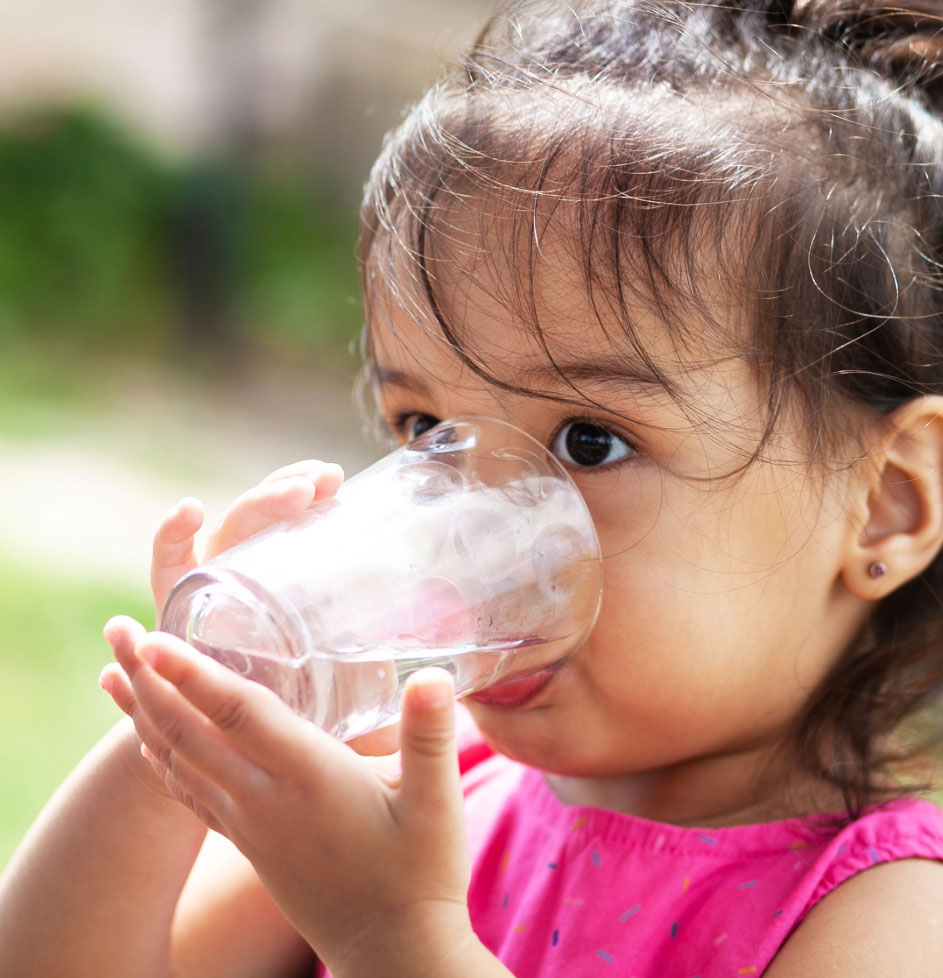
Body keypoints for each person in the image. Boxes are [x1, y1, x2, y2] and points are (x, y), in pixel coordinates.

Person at [3, 0, 943, 974]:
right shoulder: (432, 791)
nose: (472, 536)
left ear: (887, 504)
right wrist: (181, 746)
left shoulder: (888, 911)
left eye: (588, 441)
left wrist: (393, 935)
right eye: (426, 431)